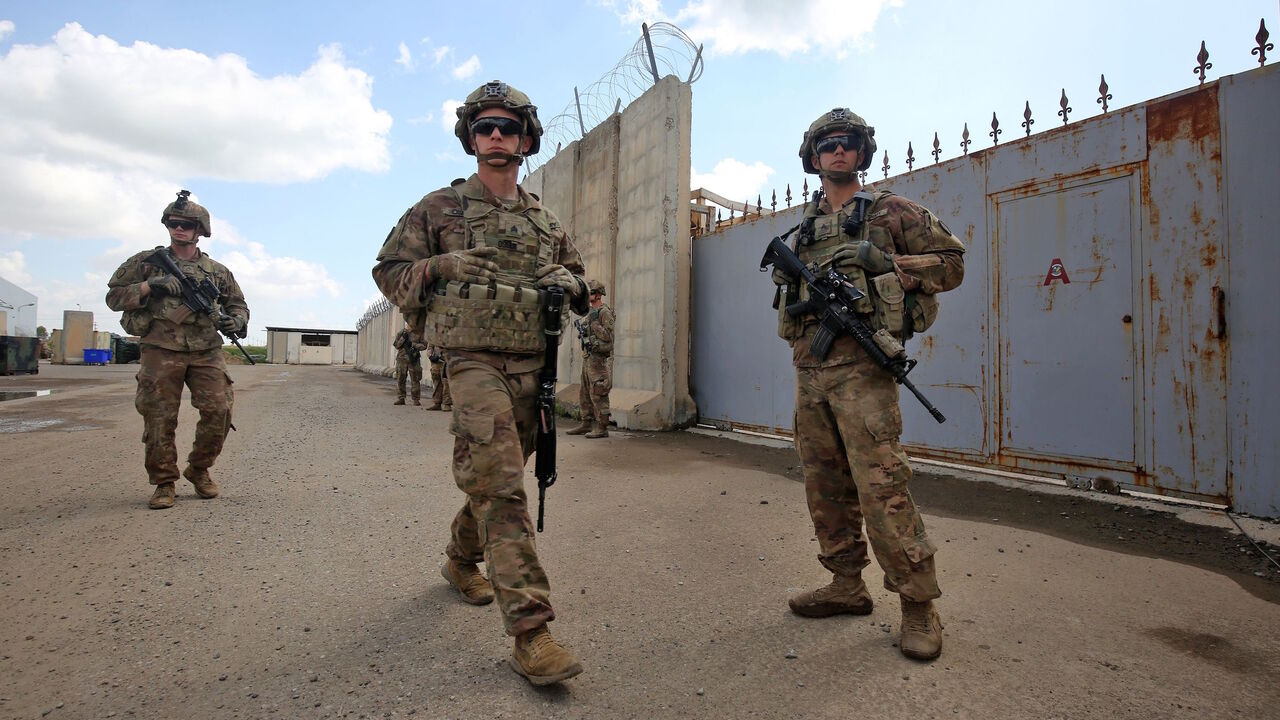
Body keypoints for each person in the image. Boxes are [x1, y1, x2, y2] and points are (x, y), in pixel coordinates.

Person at [372, 80, 590, 686]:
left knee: (495, 481)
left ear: (526, 138)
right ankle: (532, 632)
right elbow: (387, 272)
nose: (496, 136)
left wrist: (569, 283)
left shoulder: (543, 218)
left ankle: (459, 558)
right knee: (501, 487)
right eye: (485, 127)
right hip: (470, 364)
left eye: (507, 127)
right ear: (471, 137)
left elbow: (580, 283)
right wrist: (439, 266)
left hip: (533, 367)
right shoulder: (438, 208)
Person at [771, 108, 965, 661]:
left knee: (882, 486)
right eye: (827, 144)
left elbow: (953, 264)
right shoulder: (802, 227)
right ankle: (845, 584)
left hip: (864, 373)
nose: (837, 151)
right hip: (810, 371)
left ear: (862, 152)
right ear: (812, 158)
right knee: (824, 485)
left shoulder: (890, 211)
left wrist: (886, 263)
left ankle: (918, 603)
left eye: (847, 143)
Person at [106, 190, 249, 510]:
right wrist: (148, 286)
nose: (178, 229)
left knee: (219, 410)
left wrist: (233, 322)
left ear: (200, 230)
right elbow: (113, 298)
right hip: (160, 347)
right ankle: (163, 482)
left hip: (206, 349)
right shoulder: (145, 264)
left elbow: (238, 305)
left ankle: (199, 469)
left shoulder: (217, 271)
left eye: (186, 224)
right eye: (173, 223)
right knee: (158, 416)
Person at [566, 279, 614, 439]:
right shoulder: (590, 312)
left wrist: (594, 326)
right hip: (588, 357)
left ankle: (602, 427)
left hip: (598, 360)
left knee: (599, 392)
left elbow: (608, 337)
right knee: (585, 392)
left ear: (599, 294)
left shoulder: (603, 312)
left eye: (591, 293)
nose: (589, 295)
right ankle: (586, 423)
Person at [392, 324, 424, 405]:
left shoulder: (419, 333)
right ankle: (401, 398)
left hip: (414, 359)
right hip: (401, 359)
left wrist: (414, 345)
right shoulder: (401, 332)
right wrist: (403, 337)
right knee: (400, 379)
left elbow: (424, 346)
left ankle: (416, 399)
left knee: (415, 379)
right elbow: (396, 345)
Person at [426, 344, 452, 411]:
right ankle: (437, 403)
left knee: (446, 383)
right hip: (436, 362)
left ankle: (447, 404)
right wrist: (430, 356)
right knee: (436, 382)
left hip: (447, 361)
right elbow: (430, 347)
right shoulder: (434, 334)